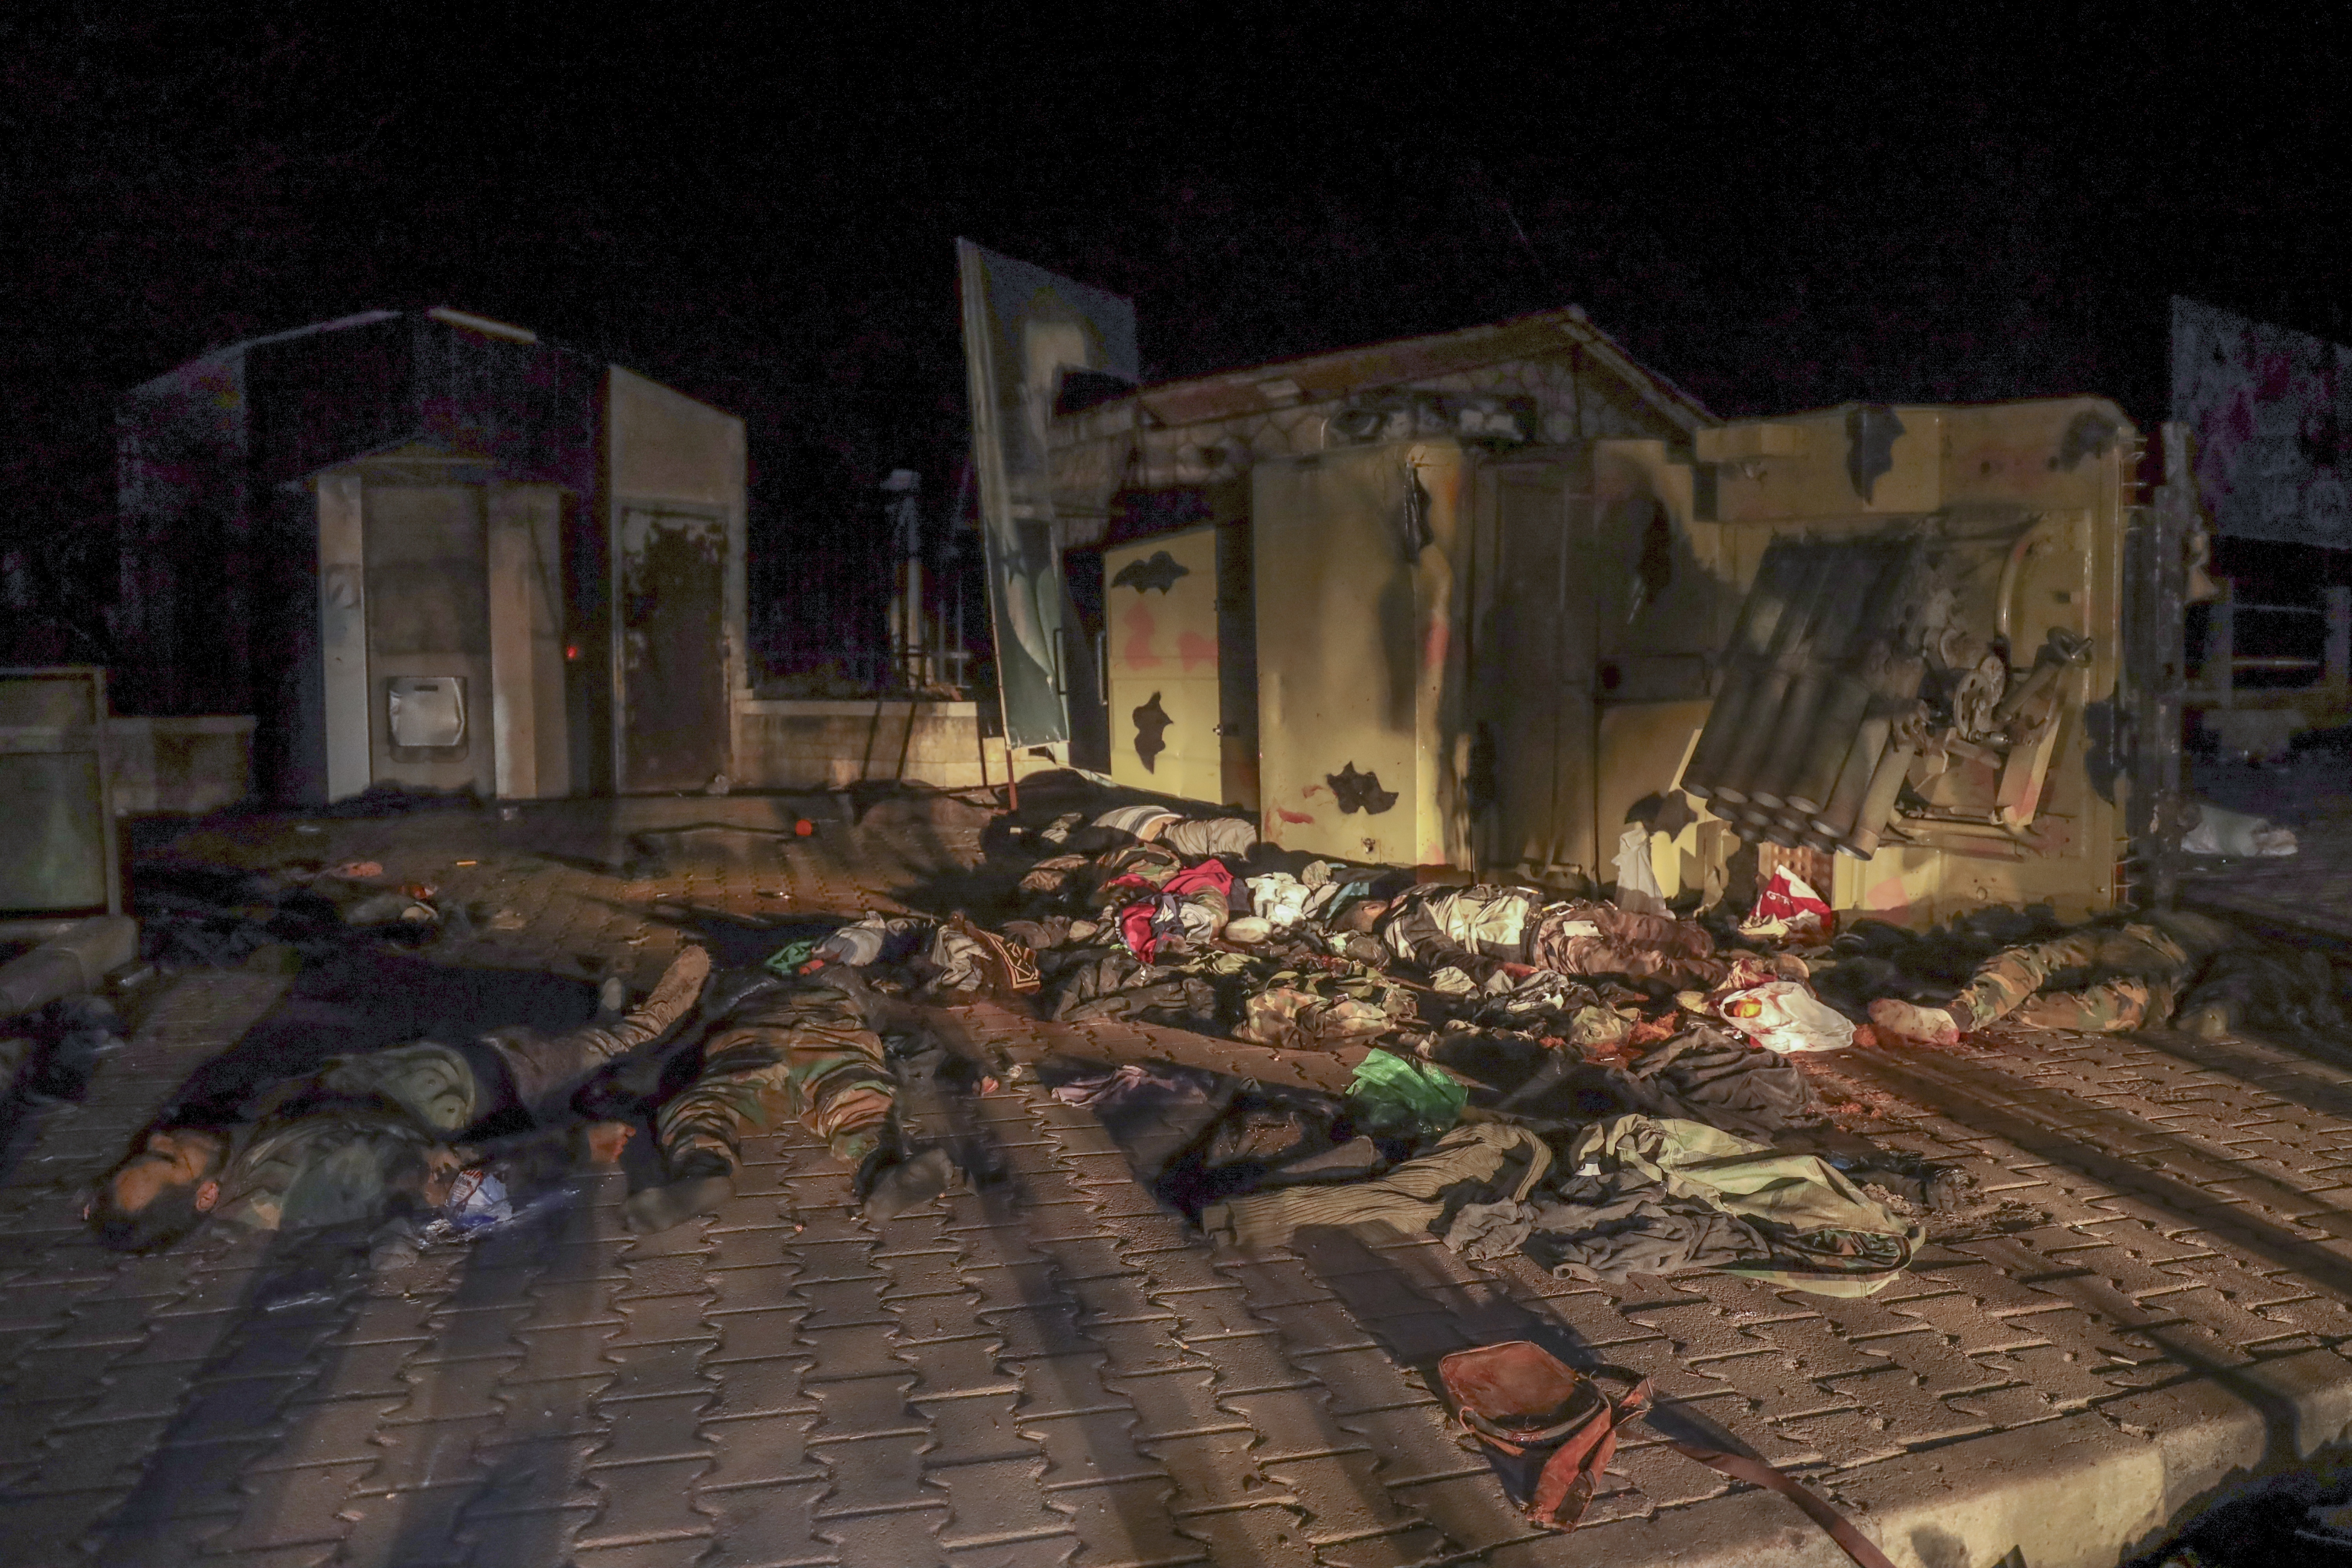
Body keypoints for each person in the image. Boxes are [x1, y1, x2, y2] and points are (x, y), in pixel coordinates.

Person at [85, 946, 712, 1252]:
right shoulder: (289, 1188)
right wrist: (576, 1152)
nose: (161, 1140)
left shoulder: (216, 1141)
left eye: (147, 1150)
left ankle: (597, 1024)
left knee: (526, 1019)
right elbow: (395, 1183)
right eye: (166, 1160)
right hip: (479, 1082)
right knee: (598, 1049)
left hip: (414, 1062)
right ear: (206, 1195)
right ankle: (646, 1023)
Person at [624, 965, 953, 1233]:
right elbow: (906, 1026)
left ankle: (702, 1168)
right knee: (861, 1104)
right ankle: (881, 1170)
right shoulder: (843, 983)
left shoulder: (740, 983)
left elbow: (689, 1023)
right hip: (831, 1032)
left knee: (711, 1103)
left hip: (754, 1035)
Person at [1868, 909, 2240, 1045]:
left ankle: (1956, 1015)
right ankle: (1995, 1008)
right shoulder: (2241, 942)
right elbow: (2209, 1018)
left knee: (2032, 961)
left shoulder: (2196, 917)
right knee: (2124, 1005)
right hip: (2155, 951)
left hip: (2112, 934)